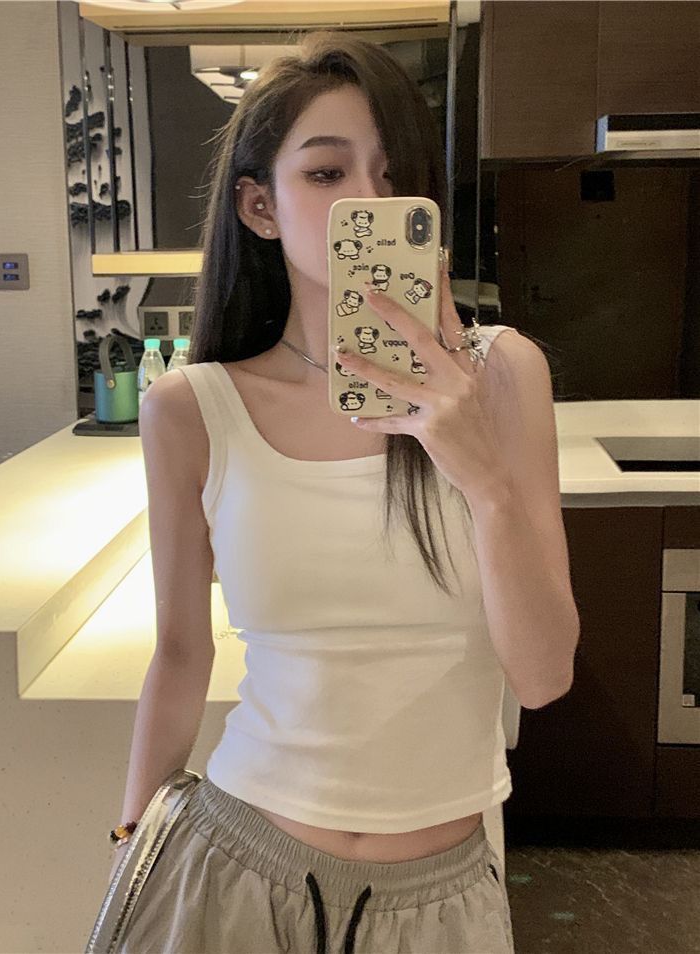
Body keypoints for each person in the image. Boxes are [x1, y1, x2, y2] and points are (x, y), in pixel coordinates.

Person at [92, 28, 579, 954]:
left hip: (441, 897)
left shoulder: (504, 376)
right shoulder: (193, 409)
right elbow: (181, 656)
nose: (369, 202)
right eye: (326, 173)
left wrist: (480, 474)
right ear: (260, 207)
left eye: (394, 177)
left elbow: (544, 675)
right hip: (236, 868)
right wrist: (129, 847)